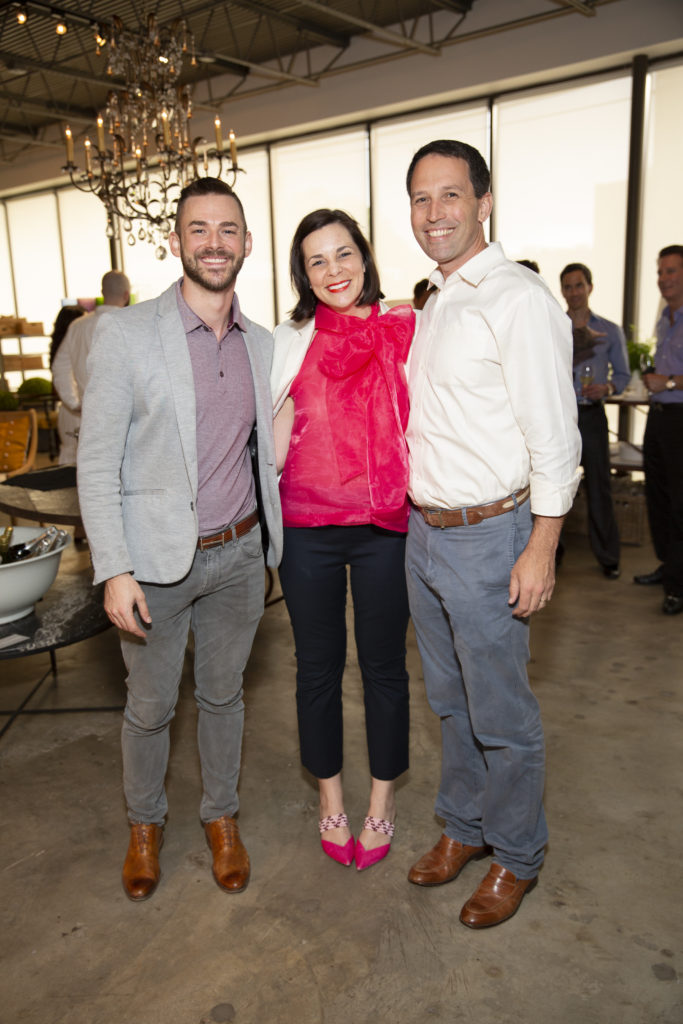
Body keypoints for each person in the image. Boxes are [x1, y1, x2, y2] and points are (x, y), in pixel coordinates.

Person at [77, 177, 283, 902]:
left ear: (246, 244)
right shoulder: (128, 333)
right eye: (198, 230)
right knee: (150, 706)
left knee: (224, 698)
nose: (214, 243)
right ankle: (144, 826)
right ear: (175, 242)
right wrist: (114, 569)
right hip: (154, 566)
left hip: (239, 555)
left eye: (227, 230)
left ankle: (221, 818)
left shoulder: (263, 344)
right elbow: (97, 460)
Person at [403, 140, 581, 928]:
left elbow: (555, 436)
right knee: (448, 700)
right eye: (419, 198)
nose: (433, 213)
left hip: (488, 535)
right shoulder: (439, 299)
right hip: (424, 534)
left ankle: (516, 854)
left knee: (501, 713)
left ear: (483, 203)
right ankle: (463, 828)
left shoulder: (517, 298)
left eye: (448, 195)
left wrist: (540, 545)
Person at [271, 209, 414, 871]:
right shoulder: (289, 339)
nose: (333, 270)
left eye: (343, 253)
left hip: (385, 528)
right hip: (307, 532)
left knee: (384, 668)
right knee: (316, 670)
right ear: (303, 273)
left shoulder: (404, 327)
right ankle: (329, 797)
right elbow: (270, 439)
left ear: (364, 255)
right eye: (317, 261)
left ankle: (380, 803)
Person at [560, 262, 630, 578]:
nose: (574, 292)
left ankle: (608, 558)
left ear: (590, 287)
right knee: (554, 484)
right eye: (568, 286)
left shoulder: (610, 331)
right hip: (560, 418)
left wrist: (609, 387)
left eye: (579, 285)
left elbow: (625, 375)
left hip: (591, 415)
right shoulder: (553, 328)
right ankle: (552, 554)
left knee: (599, 486)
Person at [634, 244, 683, 614]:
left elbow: (672, 378)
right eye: (660, 271)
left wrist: (667, 383)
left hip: (679, 416)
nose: (663, 279)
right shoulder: (665, 316)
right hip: (659, 418)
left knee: (679, 503)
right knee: (660, 498)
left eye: (671, 271)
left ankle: (678, 587)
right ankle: (669, 567)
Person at [51, 272, 131, 465]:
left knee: (87, 474)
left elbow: (60, 367)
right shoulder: (132, 324)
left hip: (87, 416)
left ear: (102, 292)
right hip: (126, 419)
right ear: (126, 295)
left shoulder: (78, 326)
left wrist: (74, 402)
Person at [48, 304, 86, 463]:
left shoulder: (58, 348)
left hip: (67, 409)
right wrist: (75, 402)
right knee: (76, 454)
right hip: (76, 409)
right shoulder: (75, 347)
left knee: (72, 453)